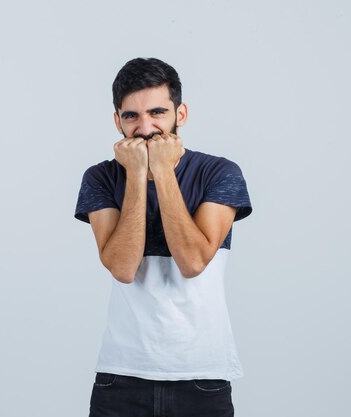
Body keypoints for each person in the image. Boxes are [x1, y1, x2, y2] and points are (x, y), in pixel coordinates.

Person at [74, 57, 253, 417]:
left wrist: (162, 170)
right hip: (121, 377)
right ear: (117, 120)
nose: (145, 127)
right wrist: (138, 176)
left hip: (202, 376)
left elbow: (193, 261)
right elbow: (122, 268)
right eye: (131, 116)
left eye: (157, 112)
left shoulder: (219, 172)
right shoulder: (100, 178)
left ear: (180, 114)